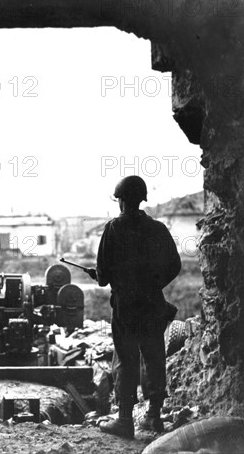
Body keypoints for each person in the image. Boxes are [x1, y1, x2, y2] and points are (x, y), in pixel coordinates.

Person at [87, 176, 181, 438]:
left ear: (122, 200)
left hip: (126, 307)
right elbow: (174, 265)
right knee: (154, 355)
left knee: (125, 359)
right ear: (141, 199)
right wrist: (153, 285)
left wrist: (102, 276)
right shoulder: (158, 229)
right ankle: (153, 417)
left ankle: (125, 420)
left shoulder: (114, 229)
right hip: (152, 304)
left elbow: (104, 277)